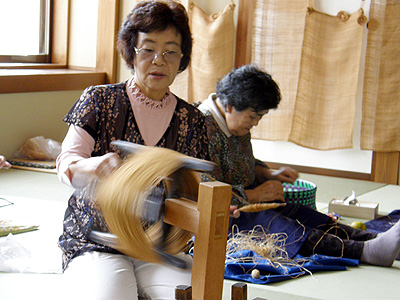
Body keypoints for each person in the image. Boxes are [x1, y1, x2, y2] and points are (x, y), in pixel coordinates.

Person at [56, 1, 208, 299]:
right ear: (131, 52)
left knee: (190, 293)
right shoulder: (99, 101)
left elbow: (197, 189)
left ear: (182, 58)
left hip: (160, 244)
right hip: (97, 237)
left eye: (171, 51)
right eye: (148, 49)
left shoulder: (193, 121)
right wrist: (93, 166)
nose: (159, 61)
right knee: (112, 295)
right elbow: (66, 163)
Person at [198, 64, 400, 268]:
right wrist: (255, 196)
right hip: (223, 218)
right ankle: (366, 252)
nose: (256, 123)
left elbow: (241, 164)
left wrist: (268, 174)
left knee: (302, 214)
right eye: (253, 116)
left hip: (247, 203)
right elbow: (202, 191)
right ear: (229, 106)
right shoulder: (199, 126)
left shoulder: (234, 119)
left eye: (260, 116)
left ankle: (372, 239)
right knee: (280, 226)